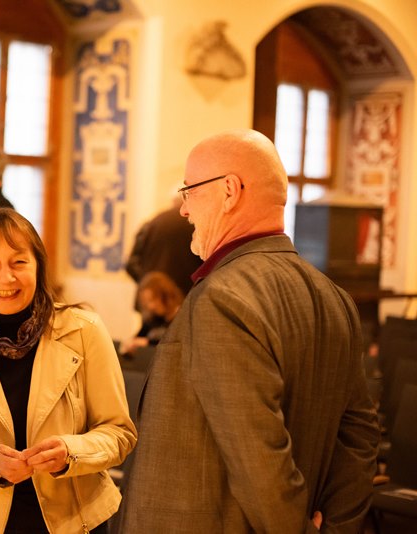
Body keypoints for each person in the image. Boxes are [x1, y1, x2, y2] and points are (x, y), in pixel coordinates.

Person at [119, 129, 380, 533]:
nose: (184, 210)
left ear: (230, 190)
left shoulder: (222, 298)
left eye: (189, 191)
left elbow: (258, 455)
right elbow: (360, 437)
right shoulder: (334, 297)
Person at [0, 207, 137, 534]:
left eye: (19, 262)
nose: (6, 278)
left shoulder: (83, 330)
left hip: (76, 522)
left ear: (38, 267)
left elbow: (120, 434)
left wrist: (71, 453)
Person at [125, 195, 203, 296]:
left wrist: (148, 284)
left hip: (154, 298)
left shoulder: (153, 223)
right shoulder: (196, 224)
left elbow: (132, 264)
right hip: (187, 294)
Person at [120, 270, 183, 356]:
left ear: (165, 295)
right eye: (147, 302)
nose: (151, 306)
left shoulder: (182, 316)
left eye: (153, 299)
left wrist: (148, 342)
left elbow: (176, 343)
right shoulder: (152, 318)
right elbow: (137, 338)